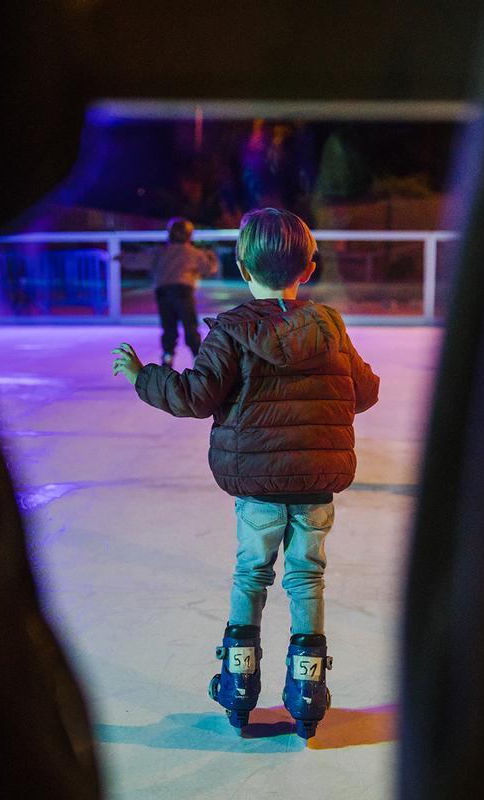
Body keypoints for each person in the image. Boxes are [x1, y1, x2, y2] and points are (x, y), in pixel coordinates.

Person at [111, 208, 379, 738]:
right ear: (309, 267)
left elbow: (195, 395)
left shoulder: (234, 328)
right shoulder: (329, 325)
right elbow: (365, 392)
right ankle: (307, 686)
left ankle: (239, 679)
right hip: (316, 484)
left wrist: (145, 376)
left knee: (251, 573)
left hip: (256, 487)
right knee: (307, 577)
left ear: (240, 264)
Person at [151, 216, 219, 366]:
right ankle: (198, 360)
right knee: (190, 327)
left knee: (169, 329)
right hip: (183, 292)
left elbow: (139, 259)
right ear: (189, 235)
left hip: (163, 292)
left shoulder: (161, 252)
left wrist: (119, 257)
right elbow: (208, 269)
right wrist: (212, 258)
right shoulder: (193, 253)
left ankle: (167, 358)